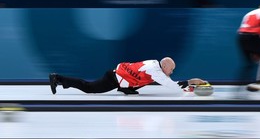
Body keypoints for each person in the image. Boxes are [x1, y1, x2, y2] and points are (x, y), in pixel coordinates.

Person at [49, 57, 207, 95]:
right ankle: (59, 78)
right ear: (165, 66)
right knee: (89, 88)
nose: (172, 72)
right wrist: (191, 82)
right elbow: (171, 85)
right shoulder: (156, 72)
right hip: (115, 78)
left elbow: (139, 75)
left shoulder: (153, 64)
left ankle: (126, 89)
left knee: (145, 80)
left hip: (119, 75)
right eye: (171, 69)